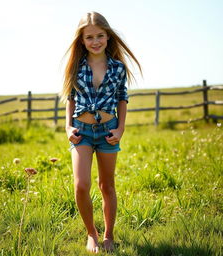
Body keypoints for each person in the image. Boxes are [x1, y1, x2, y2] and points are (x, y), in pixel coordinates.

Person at [61, 11, 142, 253]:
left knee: (107, 185)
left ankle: (109, 235)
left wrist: (120, 128)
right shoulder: (76, 66)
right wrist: (67, 126)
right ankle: (91, 234)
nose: (95, 41)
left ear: (108, 37)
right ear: (82, 40)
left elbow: (122, 99)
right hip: (82, 132)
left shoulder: (117, 68)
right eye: (89, 37)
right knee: (81, 185)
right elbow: (70, 98)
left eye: (100, 36)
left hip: (108, 131)